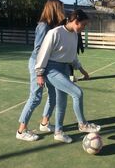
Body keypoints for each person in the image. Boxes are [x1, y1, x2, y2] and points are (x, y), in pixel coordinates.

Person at [35, 9, 101, 143]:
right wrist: (39, 74)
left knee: (61, 102)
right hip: (52, 70)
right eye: (83, 25)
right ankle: (82, 125)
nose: (83, 28)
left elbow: (72, 56)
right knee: (77, 93)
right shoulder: (54, 33)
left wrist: (82, 70)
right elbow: (43, 53)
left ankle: (58, 132)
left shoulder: (75, 35)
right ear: (75, 21)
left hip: (64, 69)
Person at [16, 0, 65, 141]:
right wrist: (39, 74)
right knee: (35, 97)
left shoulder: (52, 26)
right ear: (54, 9)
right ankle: (21, 131)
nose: (63, 11)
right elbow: (38, 50)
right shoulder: (43, 26)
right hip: (37, 65)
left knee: (53, 95)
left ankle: (44, 123)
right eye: (61, 8)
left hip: (48, 64)